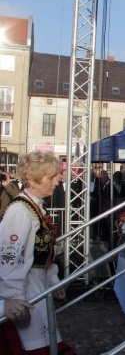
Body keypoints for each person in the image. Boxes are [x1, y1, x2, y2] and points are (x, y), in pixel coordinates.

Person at [0, 150, 75, 353]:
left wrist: (52, 280)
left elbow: (45, 253)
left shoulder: (36, 208)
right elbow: (8, 259)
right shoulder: (20, 211)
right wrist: (13, 300)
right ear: (32, 180)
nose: (57, 181)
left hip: (38, 286)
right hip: (26, 289)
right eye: (51, 177)